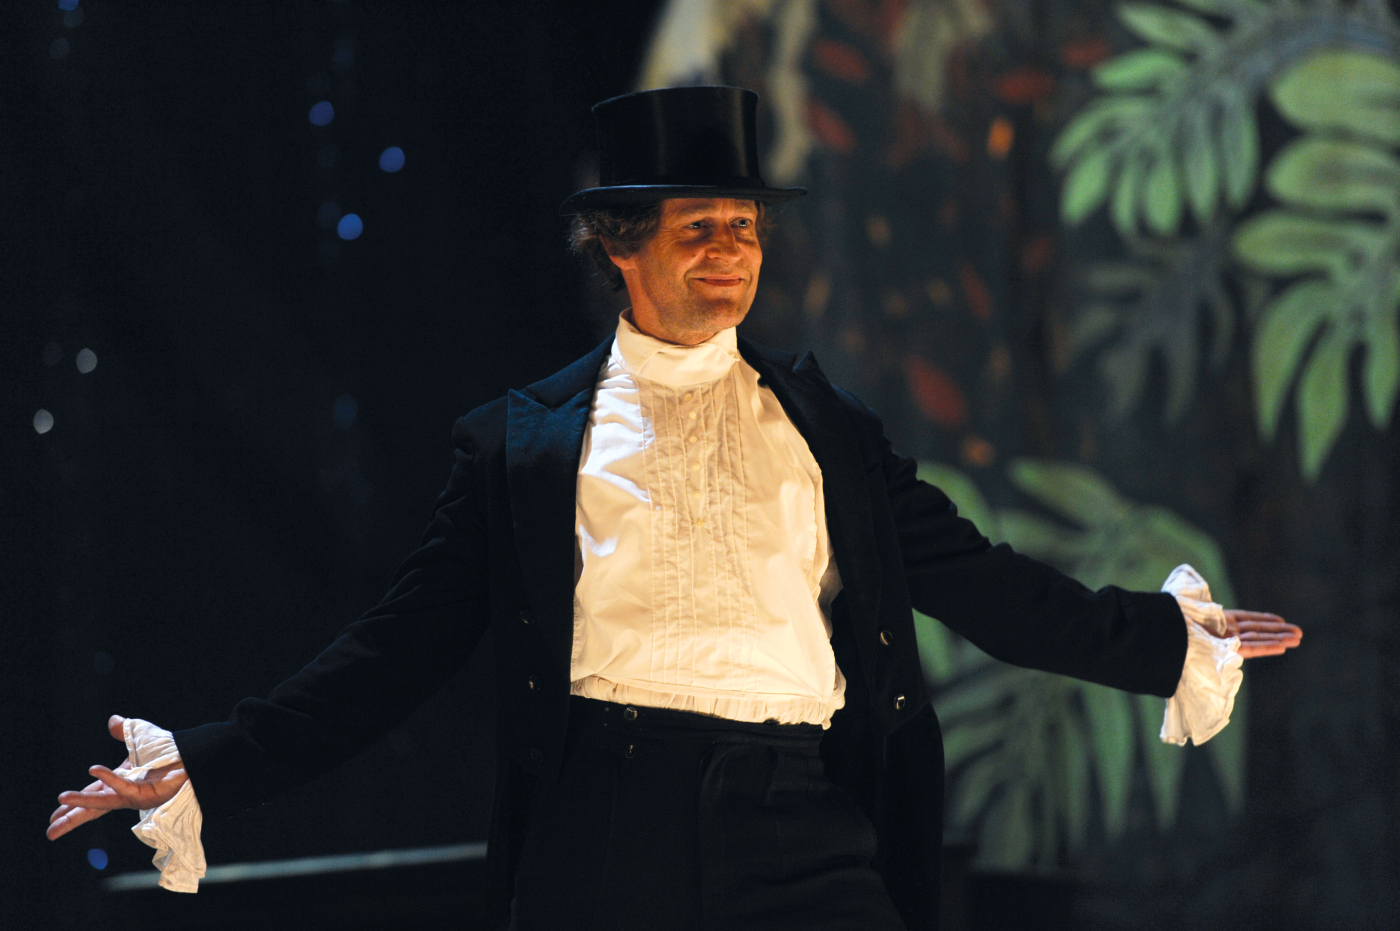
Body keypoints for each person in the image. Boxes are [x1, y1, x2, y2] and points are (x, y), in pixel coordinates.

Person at [48, 86, 1301, 931]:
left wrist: (1162, 638)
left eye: (743, 228)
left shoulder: (825, 429)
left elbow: (982, 582)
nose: (729, 251)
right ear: (619, 245)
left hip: (801, 814)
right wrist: (210, 759)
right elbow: (393, 653)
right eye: (698, 228)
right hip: (609, 824)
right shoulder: (521, 445)